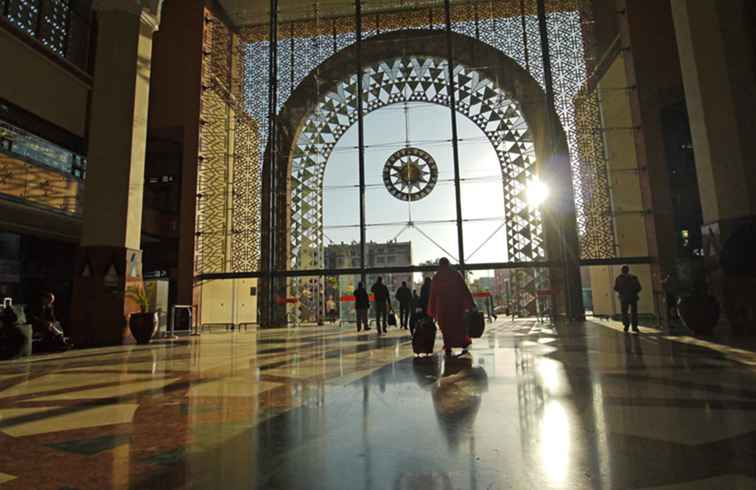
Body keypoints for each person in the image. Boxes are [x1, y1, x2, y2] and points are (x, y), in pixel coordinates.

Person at [428, 258, 475, 357]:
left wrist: (431, 310)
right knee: (458, 326)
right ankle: (463, 343)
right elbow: (464, 289)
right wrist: (471, 304)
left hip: (442, 307)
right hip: (456, 305)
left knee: (446, 328)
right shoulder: (455, 274)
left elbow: (433, 294)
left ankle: (448, 345)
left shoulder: (437, 277)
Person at [614, 266, 642, 333]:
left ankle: (626, 326)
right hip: (633, 297)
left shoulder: (618, 278)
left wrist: (621, 292)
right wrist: (634, 291)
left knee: (624, 313)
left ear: (621, 271)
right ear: (628, 270)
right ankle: (634, 327)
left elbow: (616, 288)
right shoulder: (634, 277)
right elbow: (639, 287)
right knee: (634, 313)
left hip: (624, 298)